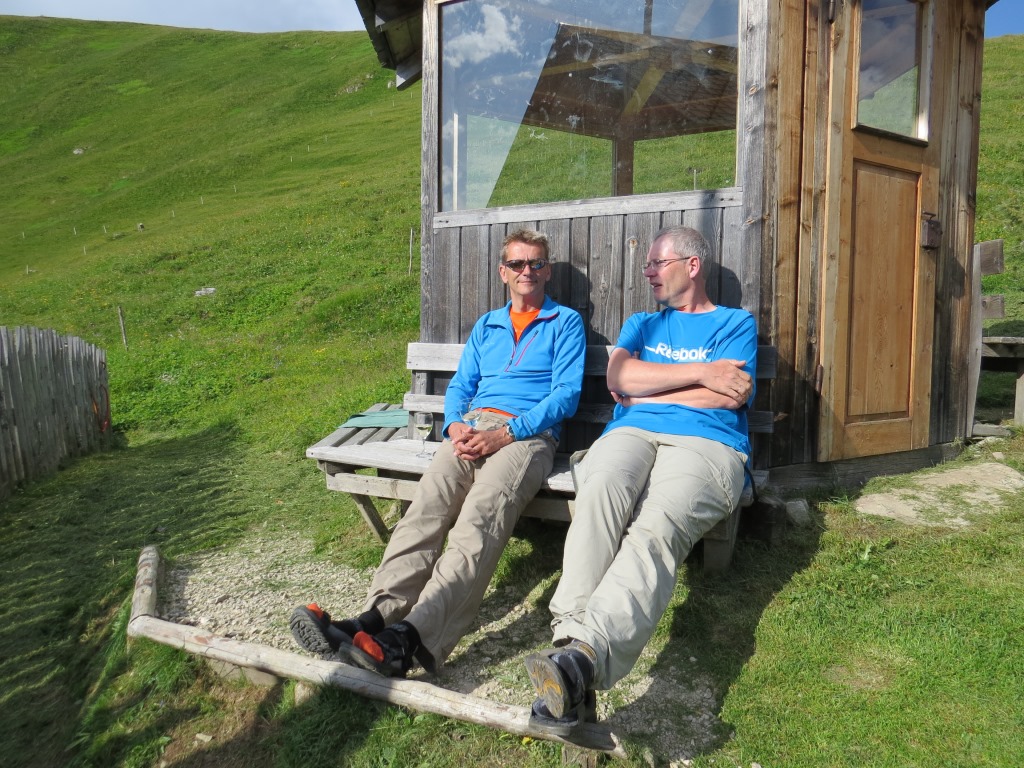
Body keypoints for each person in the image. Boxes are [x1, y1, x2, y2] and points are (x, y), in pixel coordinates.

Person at [290, 229, 586, 677]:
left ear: (547, 271)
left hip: (527, 437)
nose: (527, 271)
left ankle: (410, 640)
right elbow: (462, 386)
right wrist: (454, 425)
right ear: (503, 272)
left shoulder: (564, 323)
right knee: (424, 511)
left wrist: (506, 433)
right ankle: (373, 620)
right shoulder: (488, 325)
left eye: (537, 263)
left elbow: (565, 396)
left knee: (477, 523)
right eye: (518, 263)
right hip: (472, 429)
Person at [523, 225, 757, 733]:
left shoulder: (735, 323)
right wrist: (702, 373)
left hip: (706, 443)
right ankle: (572, 657)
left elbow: (728, 397)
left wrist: (650, 391)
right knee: (598, 495)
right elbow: (619, 379)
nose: (647, 272)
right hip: (631, 434)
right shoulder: (642, 324)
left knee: (657, 526)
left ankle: (578, 661)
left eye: (657, 263)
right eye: (647, 263)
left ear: (692, 265)